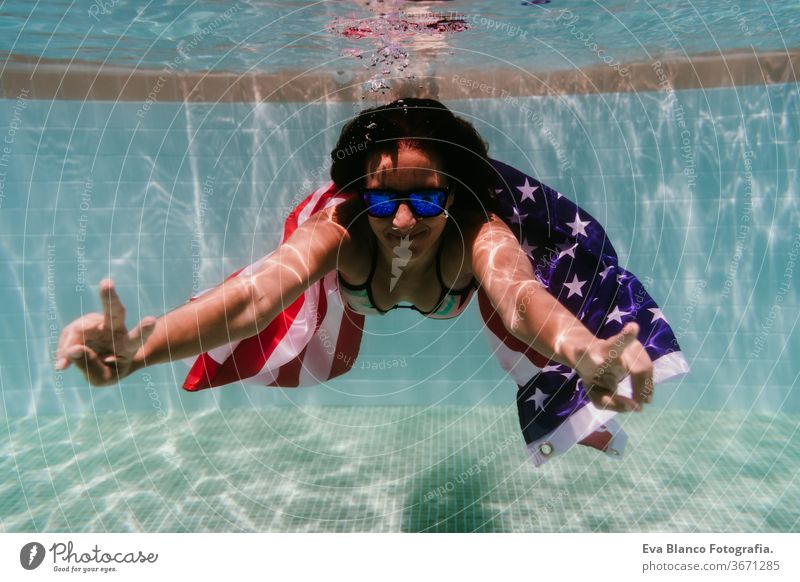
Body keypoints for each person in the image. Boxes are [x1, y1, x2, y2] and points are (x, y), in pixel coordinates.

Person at [56, 98, 685, 465]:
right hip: (353, 301)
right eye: (385, 200)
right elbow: (255, 296)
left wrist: (580, 351)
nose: (404, 222)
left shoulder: (479, 234)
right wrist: (143, 351)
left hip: (455, 292)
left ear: (454, 192)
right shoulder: (343, 229)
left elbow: (522, 300)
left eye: (426, 200)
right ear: (363, 193)